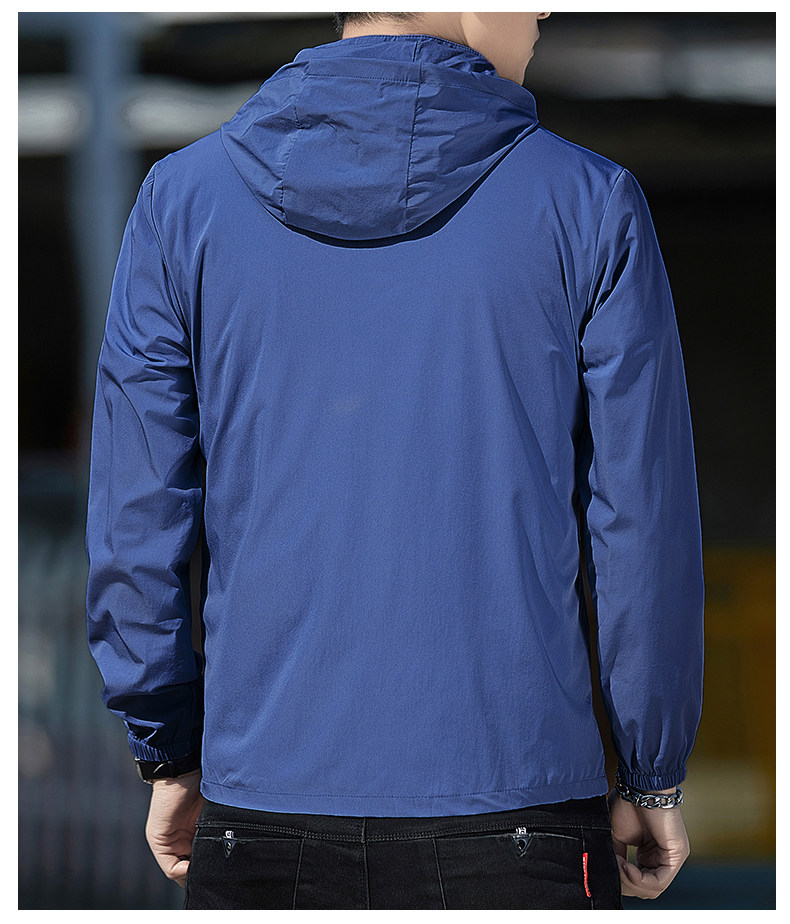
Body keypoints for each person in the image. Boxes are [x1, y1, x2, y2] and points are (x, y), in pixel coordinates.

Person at [84, 11, 705, 910]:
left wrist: (168, 749)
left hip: (263, 803)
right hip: (518, 804)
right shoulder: (589, 200)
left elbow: (136, 516)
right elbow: (642, 524)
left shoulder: (182, 201)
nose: (545, 14)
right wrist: (652, 774)